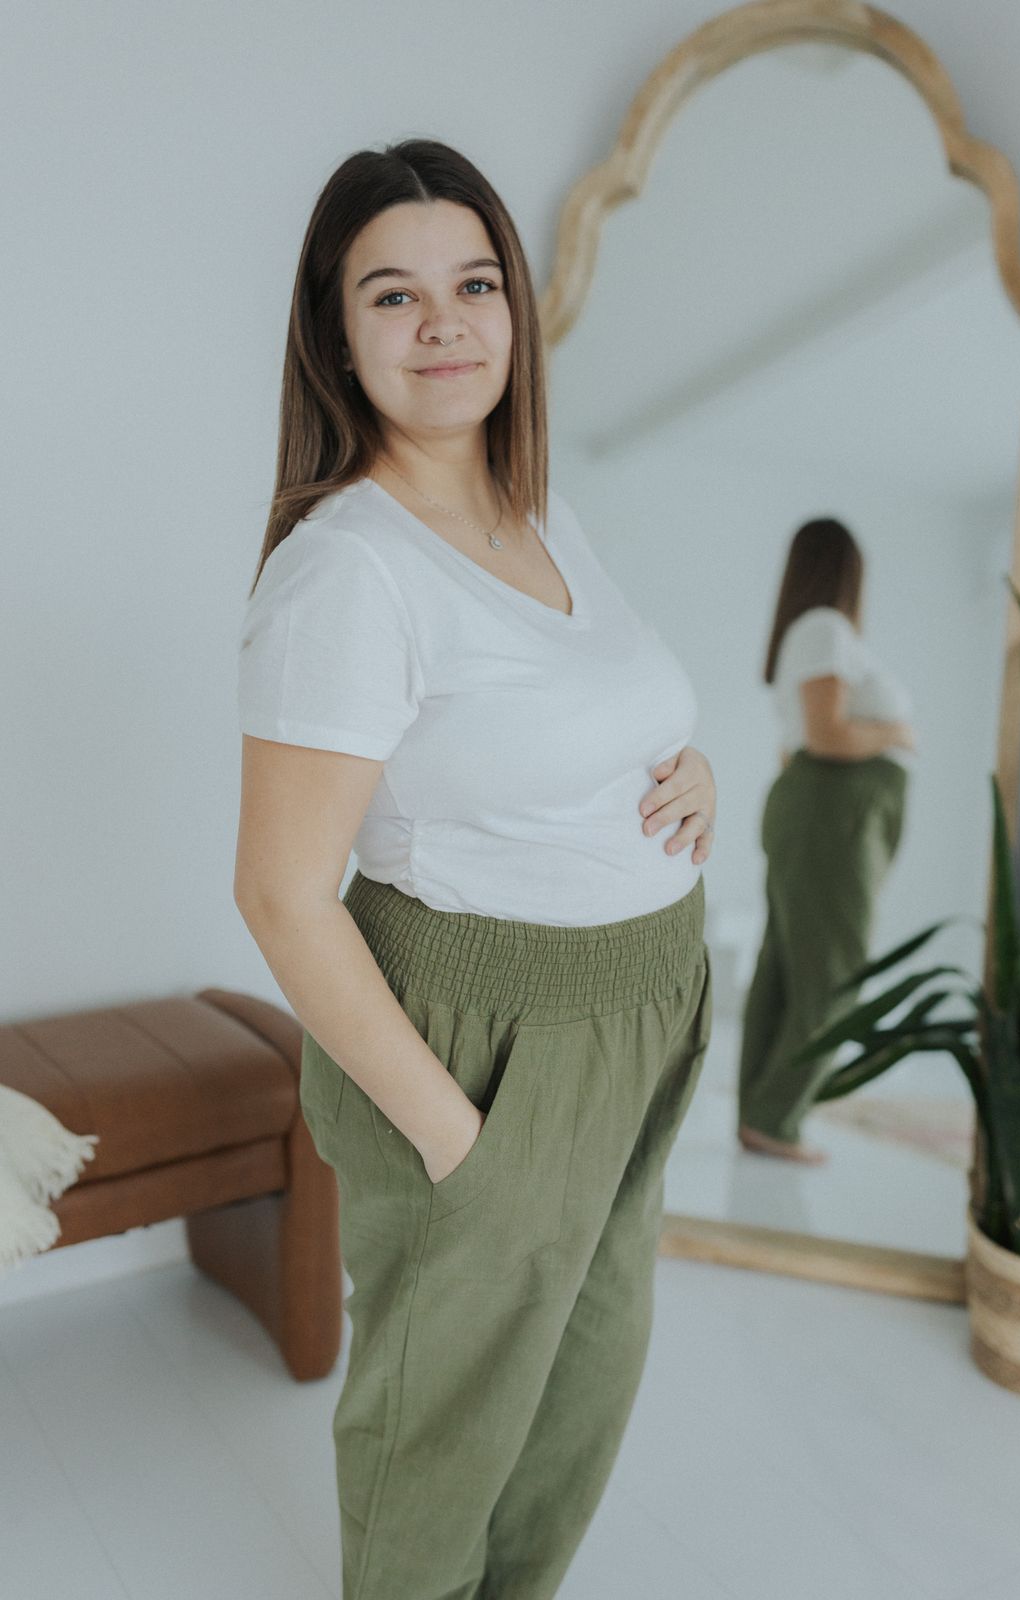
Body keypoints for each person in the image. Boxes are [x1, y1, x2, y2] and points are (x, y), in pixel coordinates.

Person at [233, 138, 718, 1600]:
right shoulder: (348, 570)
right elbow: (279, 895)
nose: (442, 322)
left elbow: (582, 716)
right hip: (487, 1046)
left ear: (514, 309)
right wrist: (458, 1142)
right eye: (393, 294)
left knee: (580, 1388)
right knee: (442, 1427)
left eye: (472, 282)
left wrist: (690, 769)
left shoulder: (532, 508)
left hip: (633, 1017)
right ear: (335, 332)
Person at [736, 517, 916, 1165]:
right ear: (847, 572)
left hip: (820, 811)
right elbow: (826, 735)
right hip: (833, 811)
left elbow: (802, 745)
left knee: (786, 966)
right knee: (836, 974)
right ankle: (775, 1116)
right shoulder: (826, 630)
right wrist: (895, 734)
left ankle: (761, 1114)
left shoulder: (807, 635)